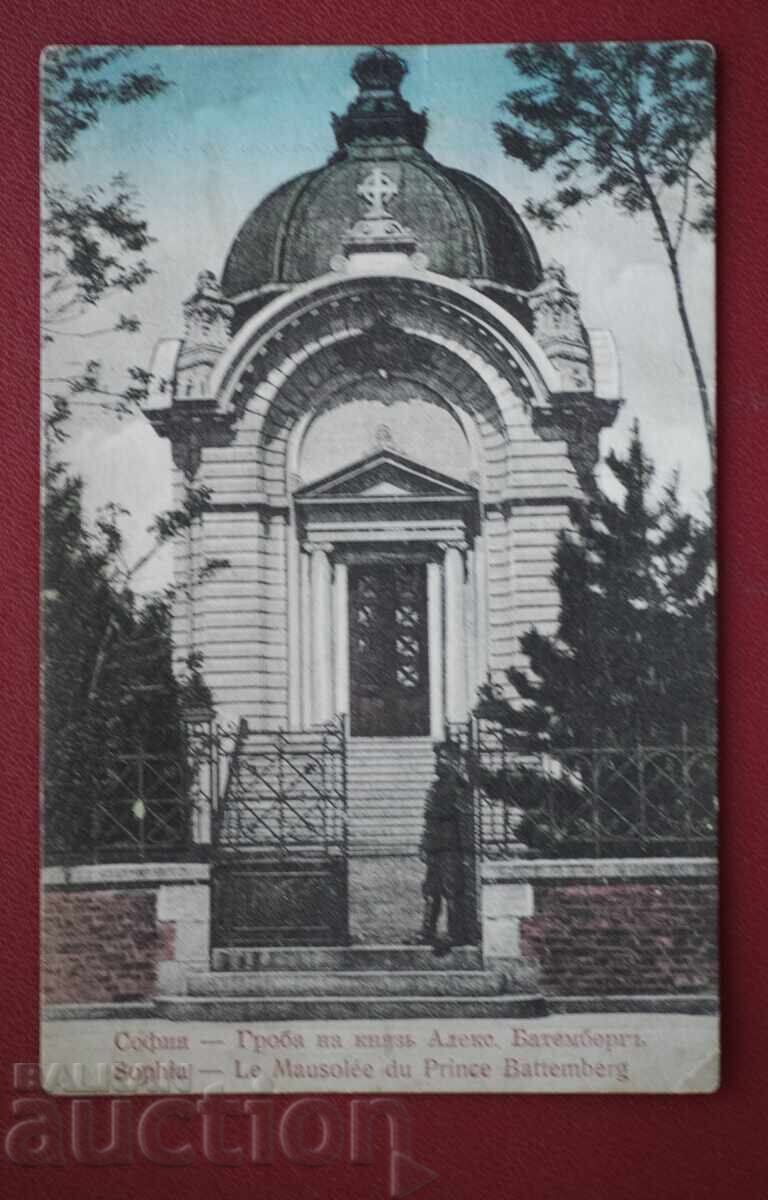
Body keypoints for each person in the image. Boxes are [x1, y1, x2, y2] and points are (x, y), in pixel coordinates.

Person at [417, 743, 468, 951]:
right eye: (437, 759)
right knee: (430, 890)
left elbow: (460, 816)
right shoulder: (436, 787)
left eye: (444, 758)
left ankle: (456, 933)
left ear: (454, 761)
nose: (438, 762)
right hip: (435, 846)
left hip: (451, 846)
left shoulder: (459, 787)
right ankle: (427, 931)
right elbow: (429, 819)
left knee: (452, 890)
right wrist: (424, 843)